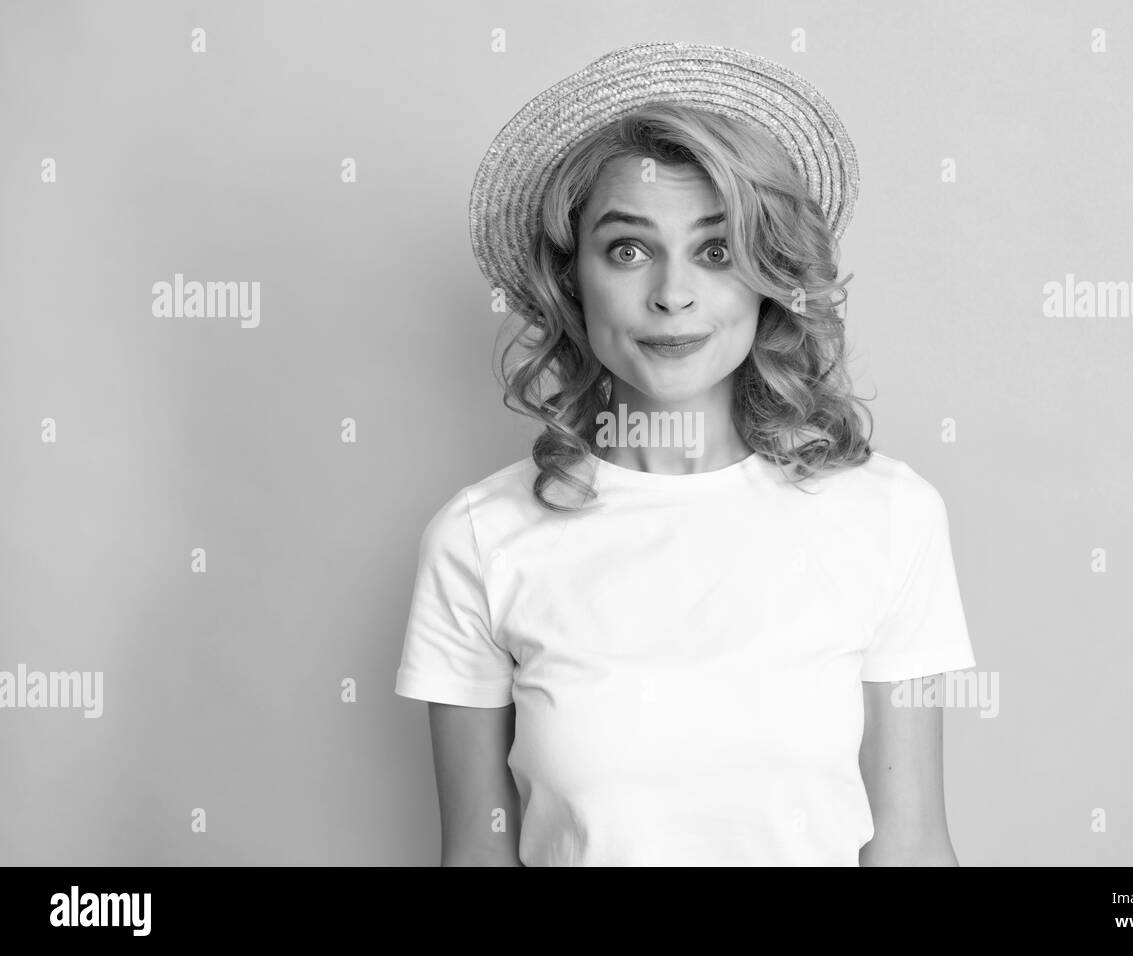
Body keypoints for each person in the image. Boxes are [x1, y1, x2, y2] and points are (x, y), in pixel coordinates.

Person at [395, 41, 976, 866]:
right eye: (628, 249)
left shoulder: (890, 515)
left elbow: (912, 843)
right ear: (573, 280)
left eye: (715, 250)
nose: (673, 294)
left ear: (769, 276)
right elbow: (476, 857)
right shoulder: (479, 538)